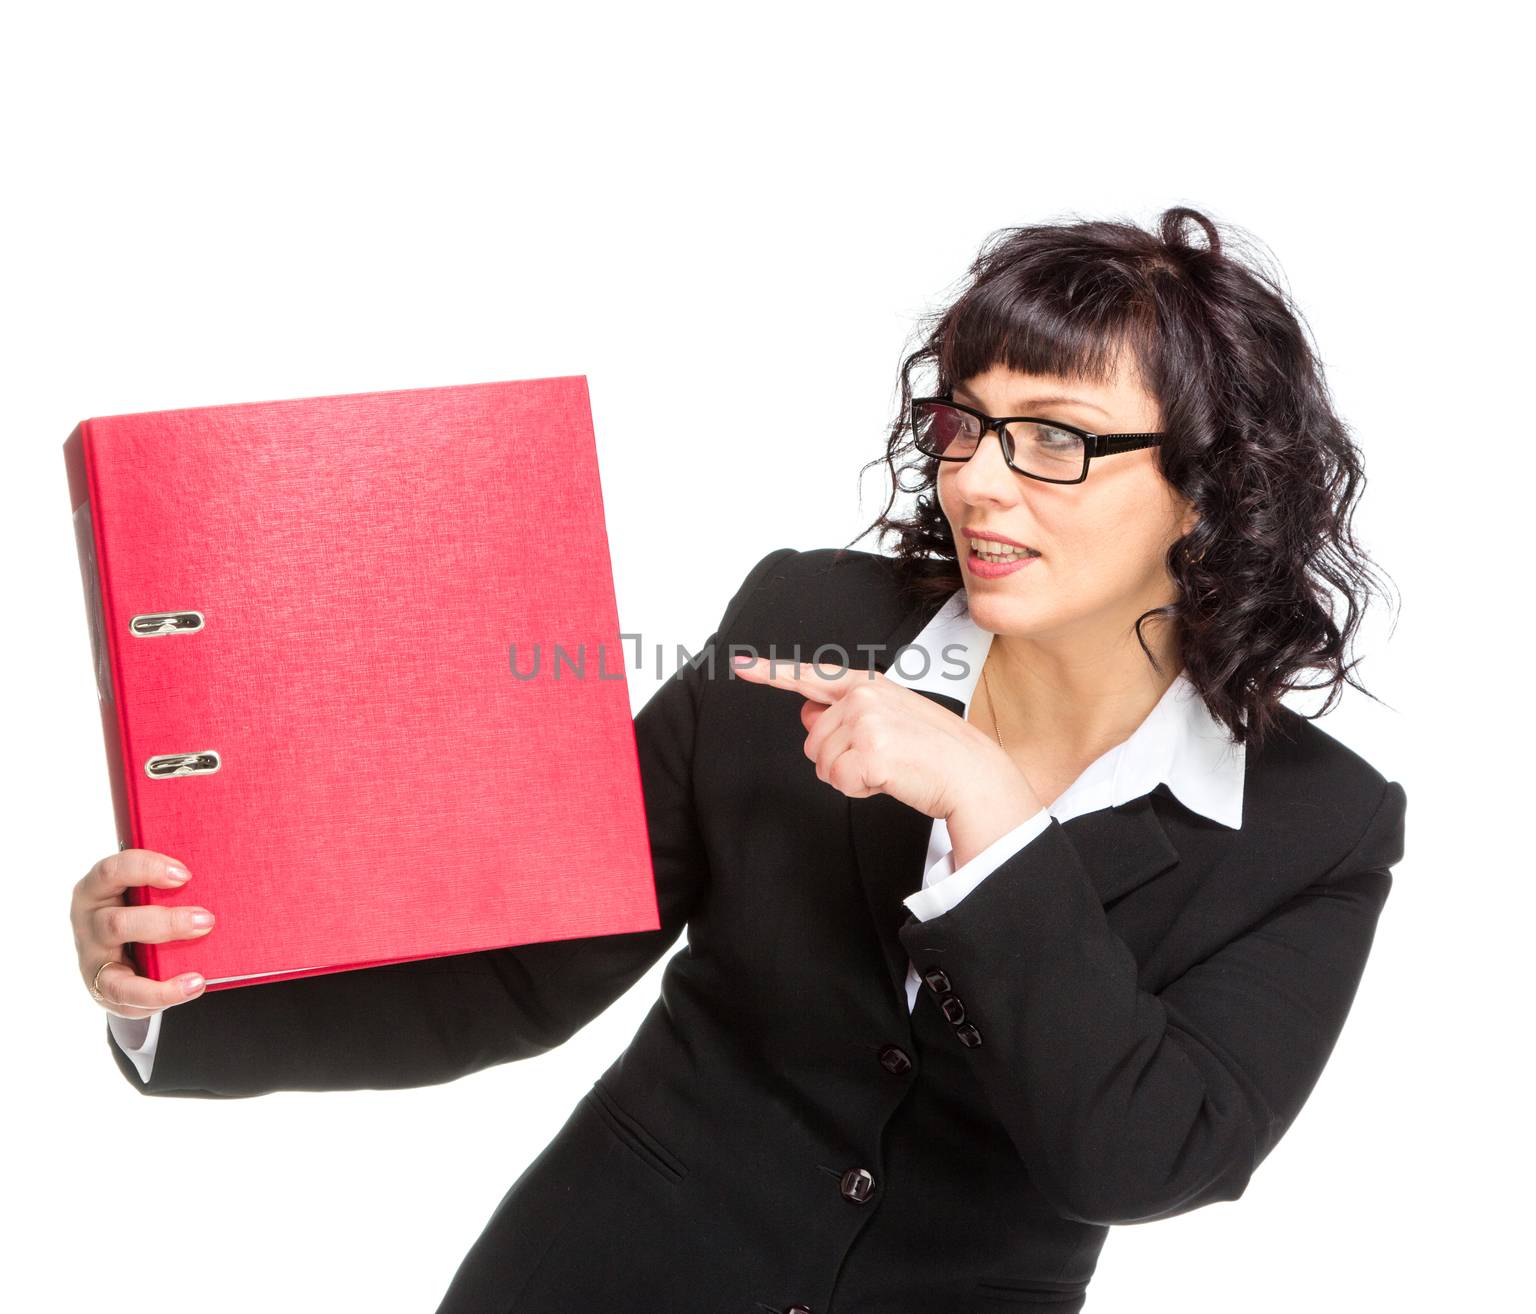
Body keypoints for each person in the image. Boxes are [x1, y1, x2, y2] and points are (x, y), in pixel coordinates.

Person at [70, 205, 1405, 1313]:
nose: (982, 482)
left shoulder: (1314, 826)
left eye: (1055, 438)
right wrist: (176, 983)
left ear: (1212, 485)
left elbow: (1141, 1152)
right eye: (965, 425)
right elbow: (534, 964)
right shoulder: (803, 624)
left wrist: (987, 806)